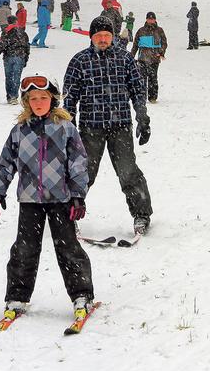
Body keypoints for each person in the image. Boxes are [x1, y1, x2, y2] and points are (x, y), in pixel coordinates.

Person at [0, 74, 94, 322]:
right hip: (29, 200)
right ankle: (17, 297)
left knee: (68, 249)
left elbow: (79, 163)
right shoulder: (19, 131)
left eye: (43, 98)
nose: (38, 102)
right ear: (27, 102)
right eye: (33, 98)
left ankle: (82, 295)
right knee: (23, 250)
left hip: (61, 199)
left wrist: (78, 195)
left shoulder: (66, 128)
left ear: (52, 100)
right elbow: (7, 163)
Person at [63, 16, 153, 235]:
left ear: (112, 37)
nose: (103, 39)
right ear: (91, 37)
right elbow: (69, 97)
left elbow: (138, 91)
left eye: (106, 36)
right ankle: (67, 215)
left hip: (120, 126)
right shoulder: (80, 61)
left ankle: (141, 215)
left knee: (128, 172)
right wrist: (69, 124)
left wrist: (142, 117)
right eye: (98, 36)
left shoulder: (125, 59)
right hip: (90, 128)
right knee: (82, 173)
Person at [131, 12, 168, 103]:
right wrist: (131, 56)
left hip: (155, 58)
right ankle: (142, 97)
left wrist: (161, 52)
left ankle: (152, 98)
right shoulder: (141, 30)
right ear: (146, 19)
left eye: (152, 19)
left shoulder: (159, 30)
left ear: (155, 19)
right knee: (142, 78)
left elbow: (164, 43)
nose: (150, 20)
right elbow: (135, 45)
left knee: (153, 78)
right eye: (149, 18)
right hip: (142, 58)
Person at [0, 15, 30, 104]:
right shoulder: (22, 32)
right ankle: (14, 96)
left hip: (8, 56)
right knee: (16, 77)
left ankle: (9, 96)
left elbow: (3, 44)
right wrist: (26, 58)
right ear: (16, 21)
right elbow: (27, 46)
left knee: (9, 77)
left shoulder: (6, 32)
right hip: (20, 56)